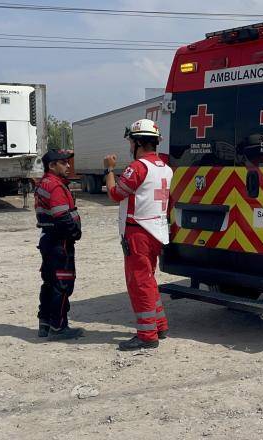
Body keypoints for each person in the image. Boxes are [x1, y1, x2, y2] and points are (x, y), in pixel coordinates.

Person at [104, 119, 172, 351]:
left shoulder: (138, 167)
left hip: (138, 231)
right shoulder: (165, 167)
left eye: (131, 142)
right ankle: (159, 324)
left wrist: (109, 170)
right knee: (149, 279)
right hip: (157, 229)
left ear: (138, 143)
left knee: (139, 282)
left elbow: (115, 194)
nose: (129, 146)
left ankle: (146, 334)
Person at [34, 149, 84, 340]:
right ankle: (58, 327)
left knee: (49, 282)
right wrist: (75, 233)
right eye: (63, 162)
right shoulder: (55, 186)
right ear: (52, 166)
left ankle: (45, 323)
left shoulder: (43, 184)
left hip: (48, 239)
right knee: (62, 284)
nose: (68, 165)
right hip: (60, 243)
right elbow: (62, 216)